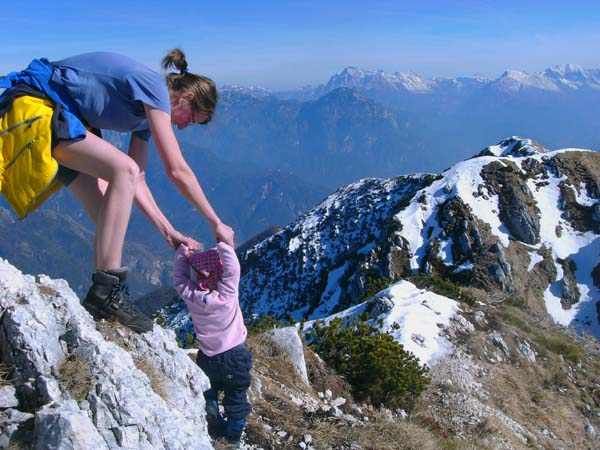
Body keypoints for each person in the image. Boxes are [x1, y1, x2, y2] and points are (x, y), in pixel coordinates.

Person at [0, 49, 234, 333]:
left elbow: (139, 180)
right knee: (122, 170)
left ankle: (101, 300)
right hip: (36, 107)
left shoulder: (147, 117)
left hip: (60, 119)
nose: (183, 127)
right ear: (186, 98)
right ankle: (108, 292)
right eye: (191, 118)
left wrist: (168, 231)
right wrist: (216, 222)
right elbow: (177, 170)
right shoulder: (154, 88)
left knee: (107, 217)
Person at [173, 242, 252, 448]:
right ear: (220, 271)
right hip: (234, 356)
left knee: (210, 389)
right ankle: (233, 437)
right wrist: (224, 242)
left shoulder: (191, 295)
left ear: (198, 275)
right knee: (236, 396)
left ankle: (211, 414)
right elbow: (233, 269)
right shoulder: (227, 294)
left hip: (207, 357)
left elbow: (180, 279)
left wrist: (183, 254)